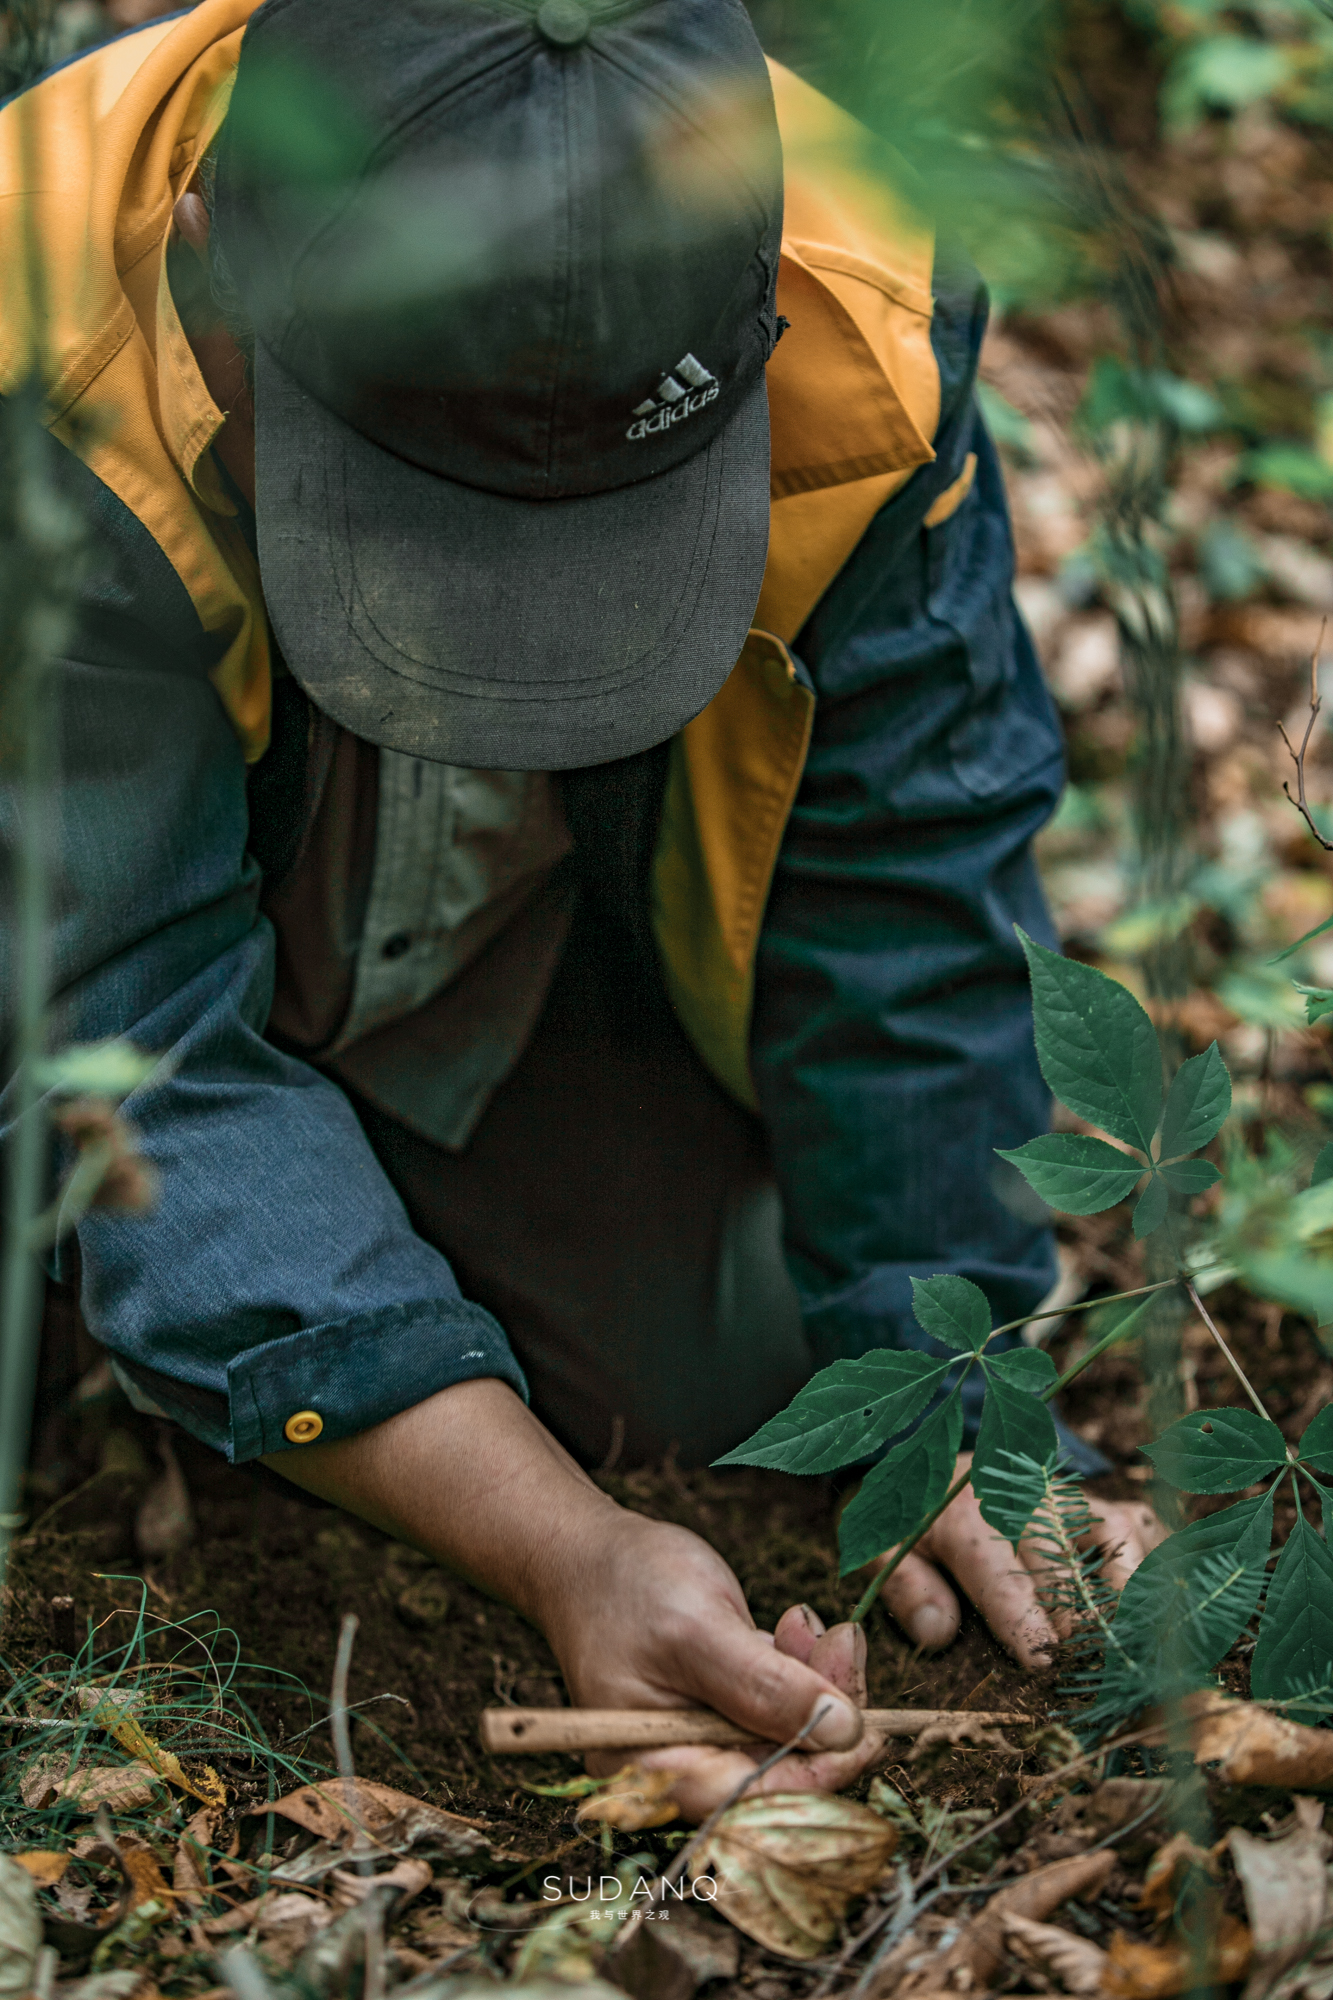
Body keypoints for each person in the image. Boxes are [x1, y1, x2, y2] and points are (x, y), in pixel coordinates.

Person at [0, 0, 1163, 1817]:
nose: (499, 640)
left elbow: (910, 887)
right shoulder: (28, 325)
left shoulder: (857, 327)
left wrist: (955, 1382)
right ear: (209, 245)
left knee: (704, 1354)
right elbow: (109, 1027)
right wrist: (559, 1546)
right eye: (410, 519)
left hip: (488, 968)